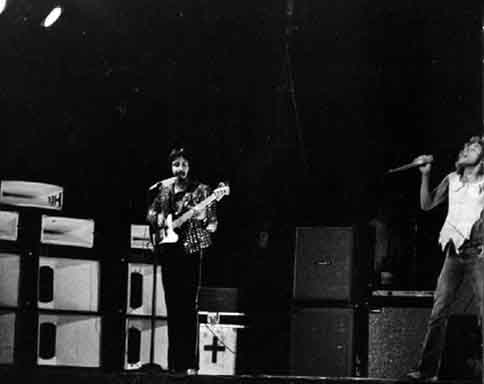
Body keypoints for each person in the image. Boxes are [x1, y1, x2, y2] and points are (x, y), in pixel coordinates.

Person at [408, 136, 484, 381]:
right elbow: (426, 205)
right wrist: (424, 175)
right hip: (453, 253)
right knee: (438, 311)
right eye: (465, 146)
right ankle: (427, 370)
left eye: (472, 148)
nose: (465, 149)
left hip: (476, 252)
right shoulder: (451, 180)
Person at [146, 147, 218, 375]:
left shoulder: (203, 191)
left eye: (184, 165)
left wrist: (203, 216)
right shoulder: (164, 189)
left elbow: (213, 224)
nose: (180, 169)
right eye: (176, 165)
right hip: (168, 251)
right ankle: (175, 364)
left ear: (190, 167)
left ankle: (189, 364)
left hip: (190, 251)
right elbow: (150, 213)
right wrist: (158, 218)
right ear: (171, 167)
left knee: (188, 308)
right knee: (172, 307)